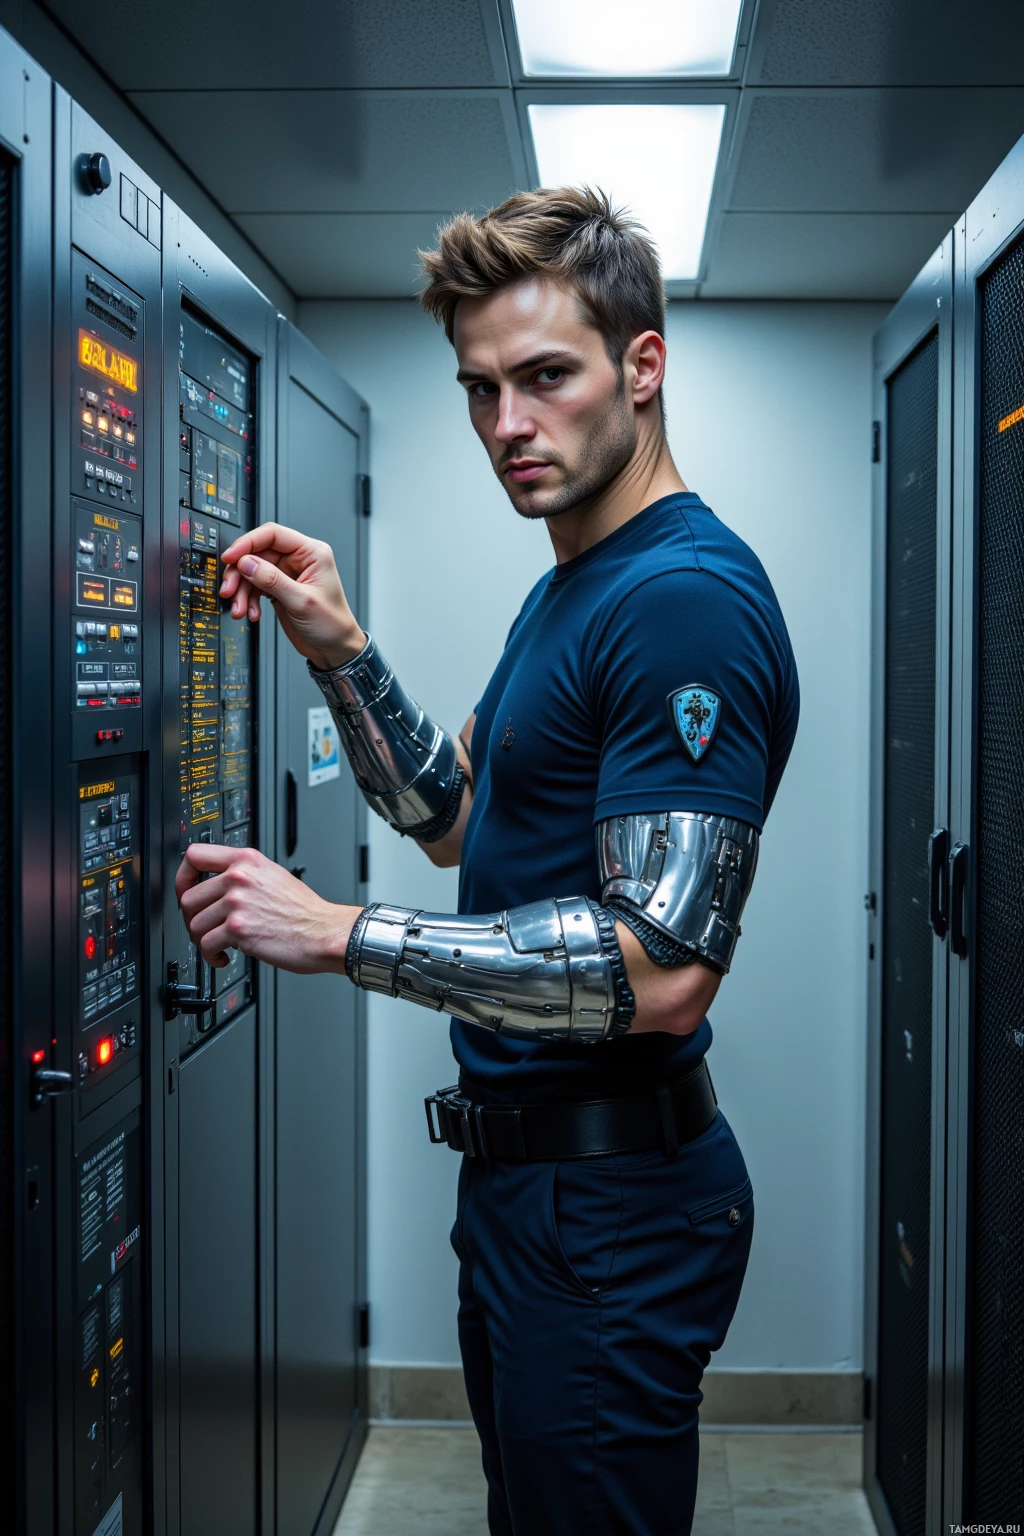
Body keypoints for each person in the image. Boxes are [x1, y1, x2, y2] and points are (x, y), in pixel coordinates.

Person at [176, 186, 799, 1536]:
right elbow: (459, 812)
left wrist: (343, 934)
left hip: (612, 1209)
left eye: (545, 378)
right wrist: (341, 652)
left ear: (643, 366)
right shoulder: (571, 582)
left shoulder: (680, 602)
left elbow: (660, 972)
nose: (507, 427)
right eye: (478, 390)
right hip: (531, 1190)